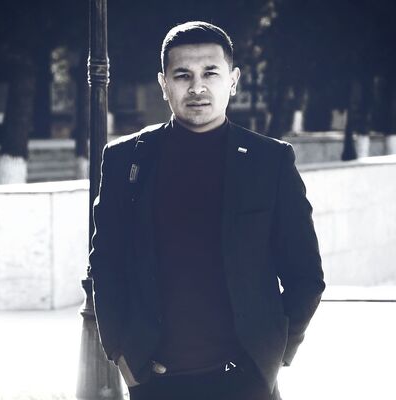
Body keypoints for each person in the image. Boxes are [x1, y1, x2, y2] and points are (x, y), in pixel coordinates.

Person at [89, 21, 325, 400]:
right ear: (164, 84)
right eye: (182, 75)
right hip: (155, 380)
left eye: (210, 73)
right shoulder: (125, 160)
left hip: (246, 380)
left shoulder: (270, 161)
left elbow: (305, 274)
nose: (197, 87)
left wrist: (274, 354)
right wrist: (123, 356)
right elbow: (106, 263)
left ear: (233, 81)